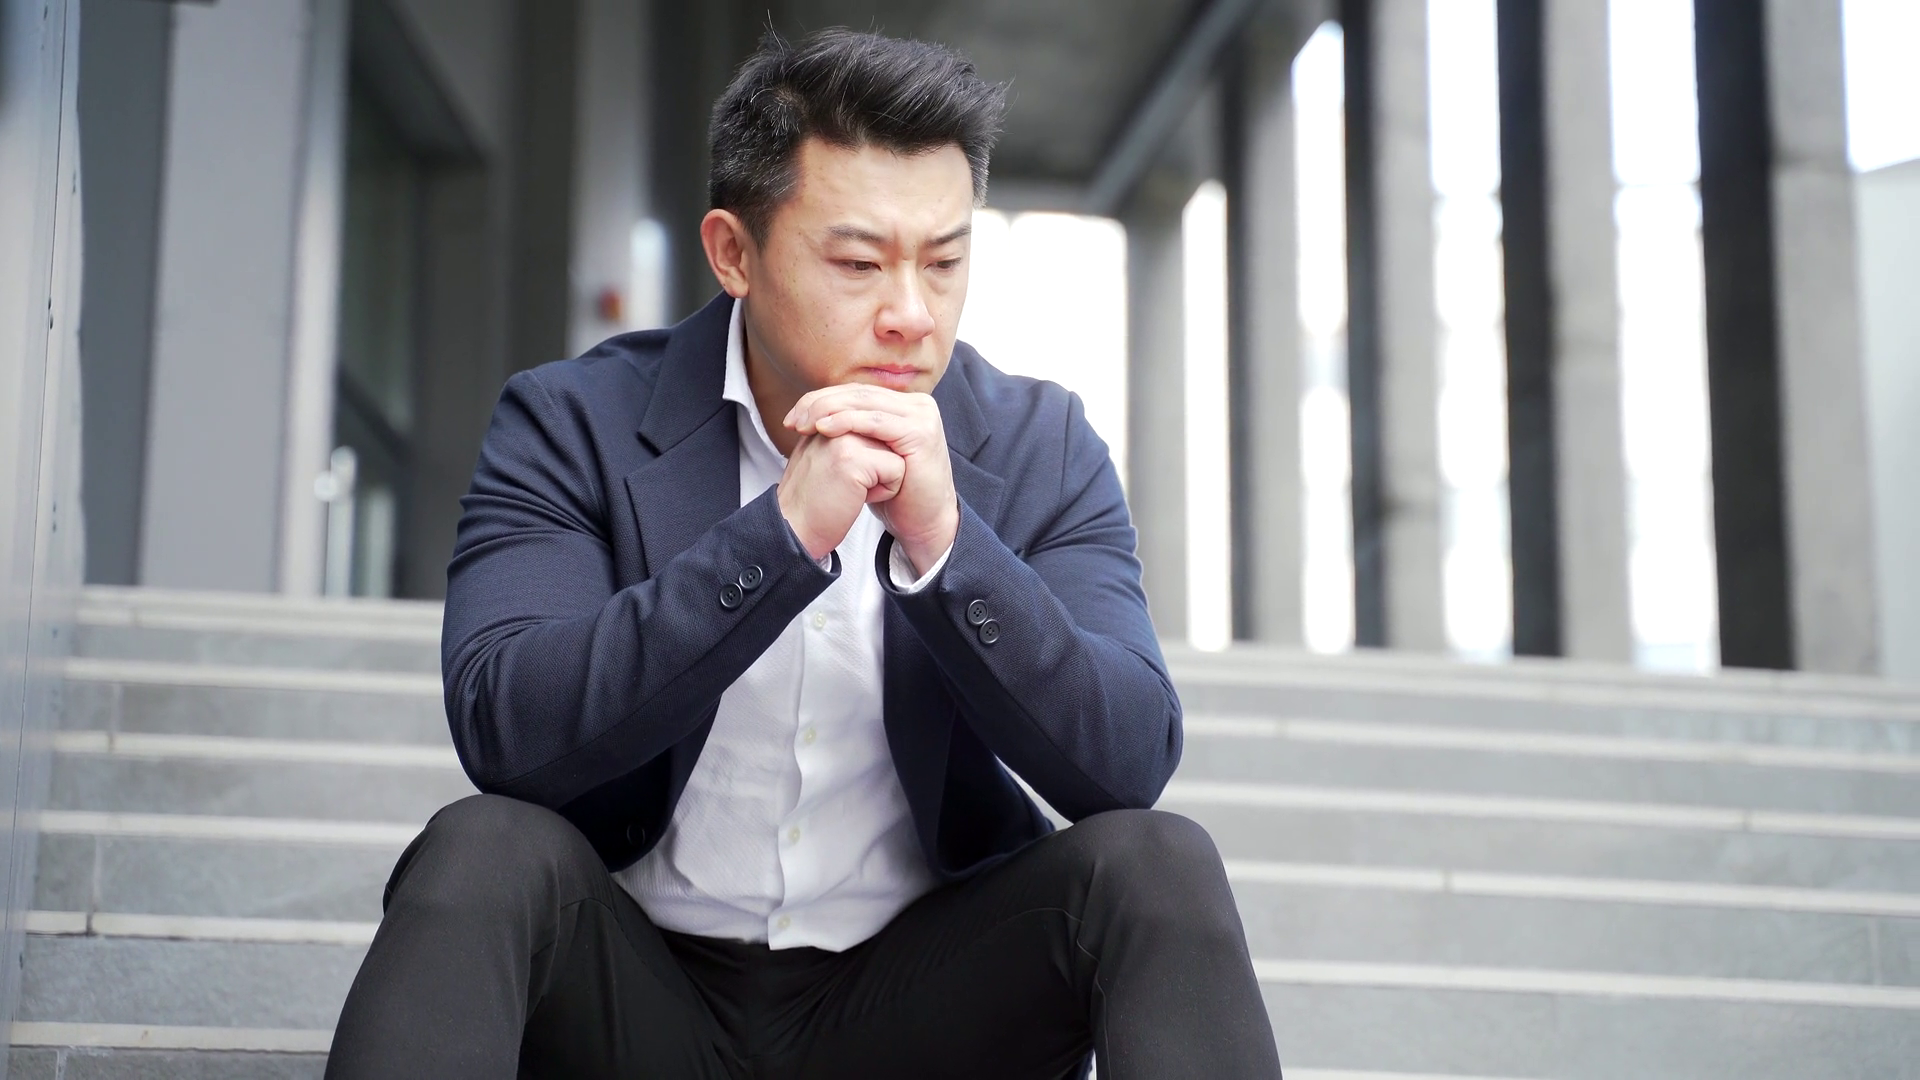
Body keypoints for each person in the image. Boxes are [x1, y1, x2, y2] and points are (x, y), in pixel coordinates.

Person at [326, 27, 1283, 1080]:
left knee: (1159, 865)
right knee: (481, 850)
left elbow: (1128, 757)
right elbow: (509, 727)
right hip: (633, 997)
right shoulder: (571, 422)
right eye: (860, 264)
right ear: (733, 253)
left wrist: (945, 546)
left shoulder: (1039, 445)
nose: (911, 314)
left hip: (922, 1009)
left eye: (945, 263)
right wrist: (779, 539)